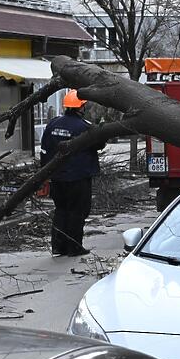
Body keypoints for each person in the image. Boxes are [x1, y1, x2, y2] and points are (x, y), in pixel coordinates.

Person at [41, 90, 105, 257]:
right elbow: (99, 144)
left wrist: (46, 174)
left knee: (61, 210)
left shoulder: (53, 124)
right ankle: (74, 247)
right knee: (77, 212)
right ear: (81, 107)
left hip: (57, 177)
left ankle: (58, 247)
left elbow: (44, 149)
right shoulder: (85, 127)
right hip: (78, 177)